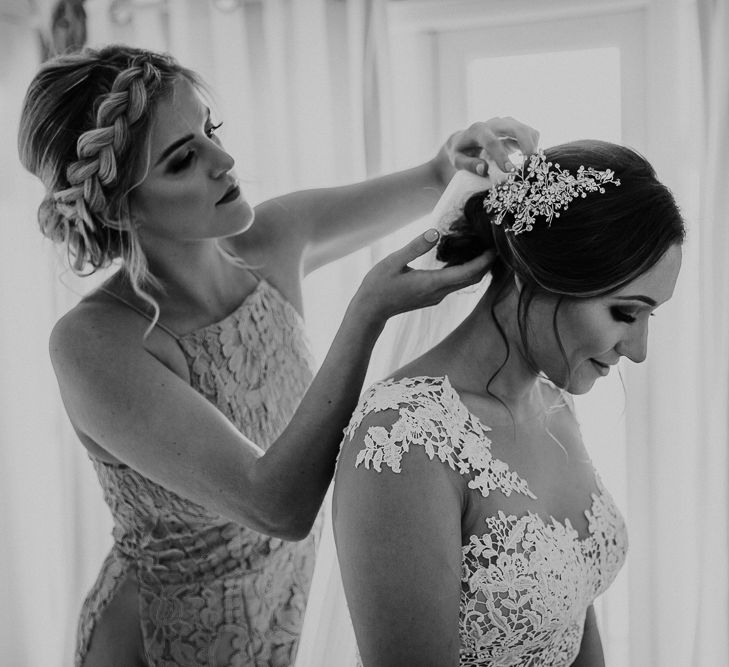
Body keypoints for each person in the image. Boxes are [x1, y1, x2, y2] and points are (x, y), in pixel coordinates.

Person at [17, 44, 540, 666]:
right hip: (169, 641)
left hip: (288, 618)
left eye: (210, 131)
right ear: (120, 206)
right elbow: (276, 504)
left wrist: (460, 160)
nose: (225, 159)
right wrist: (367, 312)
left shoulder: (272, 238)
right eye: (185, 159)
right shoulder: (96, 341)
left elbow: (435, 178)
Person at [333, 140, 685, 667]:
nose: (637, 352)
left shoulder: (555, 404)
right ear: (536, 275)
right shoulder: (406, 439)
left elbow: (573, 609)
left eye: (648, 317)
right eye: (625, 313)